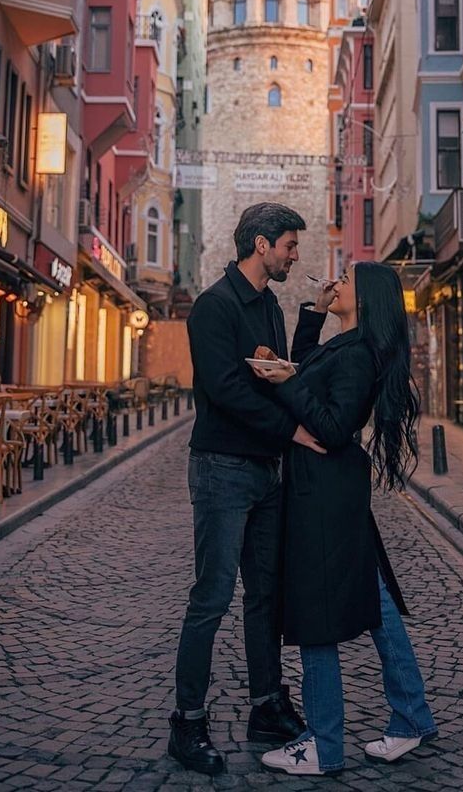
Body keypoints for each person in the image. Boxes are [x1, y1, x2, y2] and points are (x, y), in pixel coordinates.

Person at [254, 262, 437, 776]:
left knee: (316, 615)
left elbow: (332, 425)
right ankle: (412, 717)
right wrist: (311, 317)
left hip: (325, 497)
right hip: (331, 492)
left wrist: (288, 382)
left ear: (368, 298)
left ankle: (323, 745)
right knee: (376, 605)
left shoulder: (359, 356)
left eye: (346, 281)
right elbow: (309, 367)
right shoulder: (345, 345)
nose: (335, 284)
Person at [168, 202, 326, 777]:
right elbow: (228, 389)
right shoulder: (213, 307)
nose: (294, 255)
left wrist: (312, 316)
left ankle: (265, 705)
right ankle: (186, 722)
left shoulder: (270, 308)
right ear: (261, 245)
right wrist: (292, 430)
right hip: (221, 470)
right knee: (210, 598)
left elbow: (287, 372)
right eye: (288, 245)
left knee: (265, 594)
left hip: (265, 470)